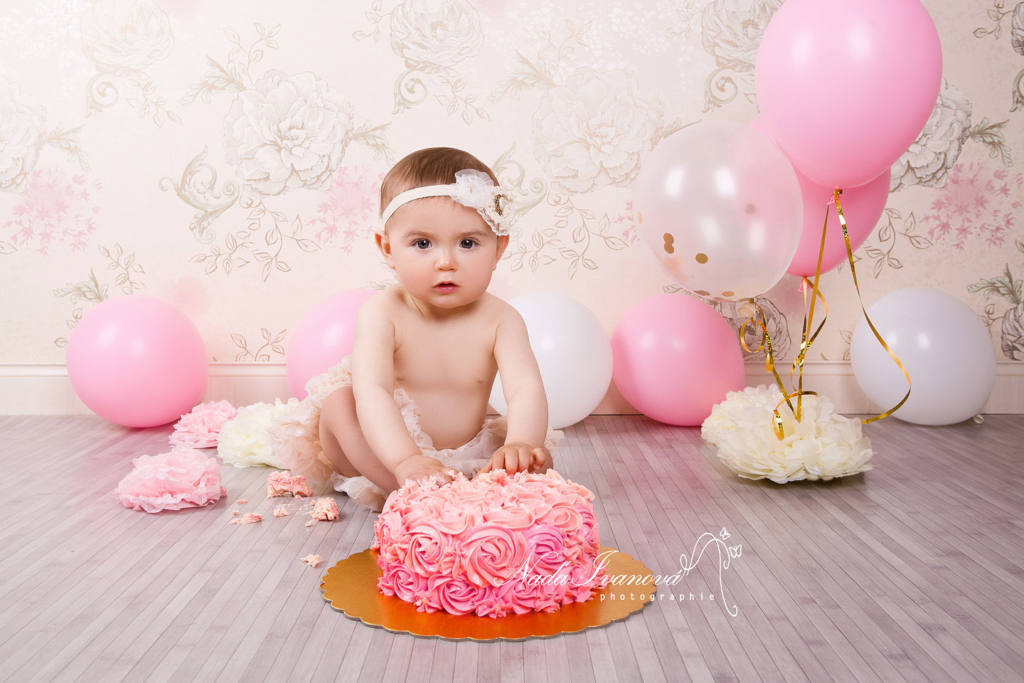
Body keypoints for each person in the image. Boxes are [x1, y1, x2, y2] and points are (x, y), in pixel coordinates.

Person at [270, 147, 561, 511]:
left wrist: (520, 441)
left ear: (498, 248)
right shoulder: (383, 313)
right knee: (341, 402)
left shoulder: (501, 319)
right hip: (380, 449)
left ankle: (456, 484)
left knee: (538, 457)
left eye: (468, 243)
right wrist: (404, 459)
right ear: (388, 248)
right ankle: (407, 487)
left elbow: (524, 389)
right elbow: (373, 392)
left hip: (463, 451)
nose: (446, 262)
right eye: (422, 244)